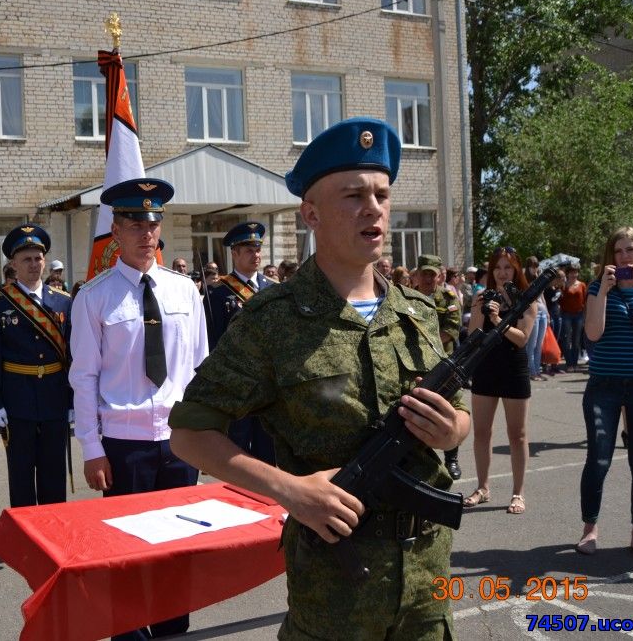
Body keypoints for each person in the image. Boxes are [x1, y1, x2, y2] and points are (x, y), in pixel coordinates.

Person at [168, 118, 469, 639]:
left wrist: (453, 431)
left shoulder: (417, 312)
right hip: (335, 595)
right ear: (311, 214)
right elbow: (190, 434)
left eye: (381, 194)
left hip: (429, 587)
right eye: (352, 195)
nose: (372, 207)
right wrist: (290, 491)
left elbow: (460, 414)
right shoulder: (272, 320)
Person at [70, 178, 208, 639]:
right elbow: (84, 376)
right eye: (134, 222)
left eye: (152, 221)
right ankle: (128, 630)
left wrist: (204, 439)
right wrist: (91, 447)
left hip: (178, 443)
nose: (146, 232)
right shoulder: (95, 296)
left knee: (176, 550)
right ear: (116, 228)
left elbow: (199, 369)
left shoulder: (185, 291)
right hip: (123, 444)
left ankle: (172, 630)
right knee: (127, 550)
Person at [576, 227, 633, 560]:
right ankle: (590, 529)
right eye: (618, 251)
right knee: (598, 459)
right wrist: (602, 292)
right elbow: (594, 333)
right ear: (610, 256)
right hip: (604, 386)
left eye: (630, 250)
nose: (624, 257)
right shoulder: (599, 287)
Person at [0, 224, 73, 508]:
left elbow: (71, 357)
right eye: (27, 259)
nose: (34, 265)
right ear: (13, 264)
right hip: (16, 400)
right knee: (20, 475)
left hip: (54, 398)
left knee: (53, 474)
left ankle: (53, 536)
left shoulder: (64, 302)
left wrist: (73, 400)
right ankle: (25, 541)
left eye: (38, 258)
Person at [462, 247, 536, 515]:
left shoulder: (527, 299)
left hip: (514, 369)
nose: (502, 272)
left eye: (508, 267)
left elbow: (522, 338)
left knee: (517, 435)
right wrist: (483, 311)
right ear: (490, 271)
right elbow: (472, 334)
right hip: (485, 368)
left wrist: (498, 319)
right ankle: (482, 487)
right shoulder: (482, 297)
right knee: (482, 432)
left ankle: (518, 493)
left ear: (516, 269)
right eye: (497, 268)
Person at [204, 221, 276, 465]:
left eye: (257, 249)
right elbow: (212, 341)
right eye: (248, 250)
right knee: (237, 452)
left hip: (268, 386)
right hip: (236, 387)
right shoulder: (218, 293)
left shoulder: (272, 289)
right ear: (234, 253)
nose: (255, 255)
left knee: (268, 453)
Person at [412, 253, 463, 480]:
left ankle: (451, 459)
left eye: (431, 274)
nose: (427, 279)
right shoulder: (406, 298)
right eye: (424, 273)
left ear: (440, 276)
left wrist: (423, 341)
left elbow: (450, 330)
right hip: (414, 363)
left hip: (443, 362)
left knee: (448, 409)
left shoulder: (448, 298)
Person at [559, 263, 587, 372]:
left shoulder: (582, 285)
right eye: (572, 272)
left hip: (579, 314)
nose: (574, 274)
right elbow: (559, 301)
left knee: (576, 341)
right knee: (566, 340)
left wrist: (585, 316)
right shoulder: (563, 285)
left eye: (576, 272)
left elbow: (586, 301)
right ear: (568, 273)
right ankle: (569, 363)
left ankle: (575, 364)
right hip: (566, 315)